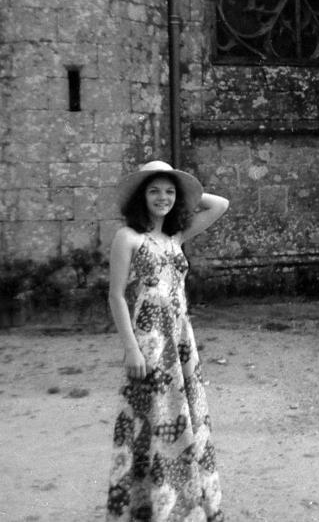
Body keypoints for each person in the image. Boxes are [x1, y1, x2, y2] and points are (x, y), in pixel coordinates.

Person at [106, 160, 229, 522]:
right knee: (152, 421)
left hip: (180, 341)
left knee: (185, 418)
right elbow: (115, 296)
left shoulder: (175, 238)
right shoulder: (128, 237)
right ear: (140, 196)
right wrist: (131, 348)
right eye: (154, 190)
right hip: (149, 342)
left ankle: (181, 504)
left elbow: (219, 204)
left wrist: (187, 190)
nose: (163, 197)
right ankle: (148, 508)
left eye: (170, 192)